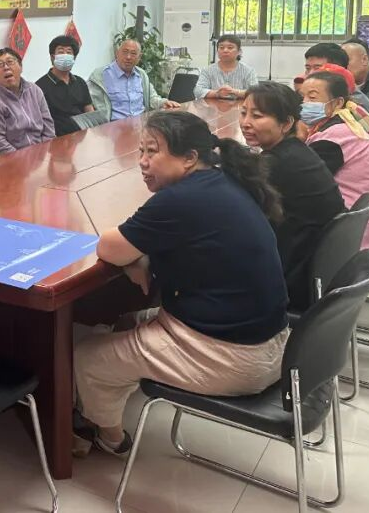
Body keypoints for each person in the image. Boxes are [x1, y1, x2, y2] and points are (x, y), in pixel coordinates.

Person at [72, 111, 288, 456]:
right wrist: (138, 256)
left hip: (234, 358)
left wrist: (135, 256)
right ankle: (111, 393)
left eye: (152, 151)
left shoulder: (180, 200)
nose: (142, 162)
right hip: (267, 341)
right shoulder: (222, 179)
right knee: (125, 321)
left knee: (86, 358)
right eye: (140, 151)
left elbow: (109, 247)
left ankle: (110, 440)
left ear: (189, 158)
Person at [239, 82, 345, 311]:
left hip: (291, 281)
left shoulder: (276, 163)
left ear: (286, 123)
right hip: (315, 273)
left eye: (257, 116)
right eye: (243, 113)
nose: (245, 123)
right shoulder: (297, 150)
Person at [299, 71, 369, 255]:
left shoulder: (334, 138)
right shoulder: (349, 123)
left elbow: (301, 184)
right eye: (302, 97)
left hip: (353, 244)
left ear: (337, 103)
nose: (304, 104)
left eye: (312, 98)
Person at [0, 47, 55, 154]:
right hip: (14, 158)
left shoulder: (34, 90)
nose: (6, 67)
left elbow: (48, 126)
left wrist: (45, 151)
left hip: (42, 152)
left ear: (21, 66)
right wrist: (21, 158)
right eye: (0, 65)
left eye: (10, 62)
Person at [88, 39, 181, 121]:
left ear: (139, 57)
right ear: (117, 53)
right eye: (125, 52)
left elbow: (152, 98)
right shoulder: (100, 75)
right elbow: (91, 106)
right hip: (113, 127)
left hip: (141, 125)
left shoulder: (142, 75)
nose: (128, 57)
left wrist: (163, 103)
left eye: (133, 53)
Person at [296, 42, 369, 116]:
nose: (310, 74)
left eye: (317, 68)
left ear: (338, 70)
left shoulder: (356, 106)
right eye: (308, 68)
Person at [35, 35, 96, 136]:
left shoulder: (80, 82)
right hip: (57, 138)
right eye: (60, 52)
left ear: (74, 58)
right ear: (52, 57)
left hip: (83, 135)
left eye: (69, 52)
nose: (65, 55)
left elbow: (89, 111)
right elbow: (39, 121)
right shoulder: (39, 87)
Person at [194, 34, 258, 100]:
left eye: (230, 48)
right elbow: (198, 91)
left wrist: (234, 92)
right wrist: (217, 93)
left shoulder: (248, 71)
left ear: (239, 51)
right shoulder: (207, 70)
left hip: (241, 106)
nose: (225, 50)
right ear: (217, 51)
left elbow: (255, 93)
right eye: (221, 48)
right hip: (212, 106)